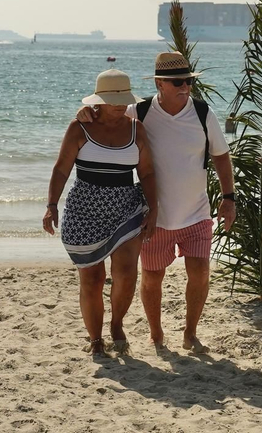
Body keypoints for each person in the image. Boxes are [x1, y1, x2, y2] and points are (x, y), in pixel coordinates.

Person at [120, 52, 234, 352]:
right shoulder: (139, 112)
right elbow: (105, 121)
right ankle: (156, 334)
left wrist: (228, 198)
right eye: (177, 82)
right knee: (152, 277)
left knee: (200, 273)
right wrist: (86, 114)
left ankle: (190, 333)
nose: (185, 86)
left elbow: (221, 156)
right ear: (159, 83)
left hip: (197, 214)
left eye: (188, 81)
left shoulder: (202, 112)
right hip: (155, 218)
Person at [46, 69, 156, 356]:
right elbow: (61, 169)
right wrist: (51, 205)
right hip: (85, 211)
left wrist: (154, 210)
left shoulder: (136, 129)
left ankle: (117, 325)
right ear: (100, 101)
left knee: (126, 274)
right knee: (92, 279)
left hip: (126, 208)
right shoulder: (79, 127)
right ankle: (95, 339)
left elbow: (146, 172)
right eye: (113, 100)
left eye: (124, 99)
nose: (120, 105)